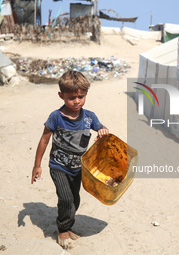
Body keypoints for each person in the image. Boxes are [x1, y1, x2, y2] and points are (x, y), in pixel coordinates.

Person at [31, 70, 109, 248]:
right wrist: (37, 166)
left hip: (78, 168)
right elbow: (44, 139)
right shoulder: (56, 117)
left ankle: (68, 226)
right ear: (61, 95)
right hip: (58, 166)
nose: (77, 101)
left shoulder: (89, 117)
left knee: (75, 200)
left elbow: (102, 128)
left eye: (81, 96)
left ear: (86, 94)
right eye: (72, 97)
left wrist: (103, 130)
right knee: (65, 199)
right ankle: (62, 231)